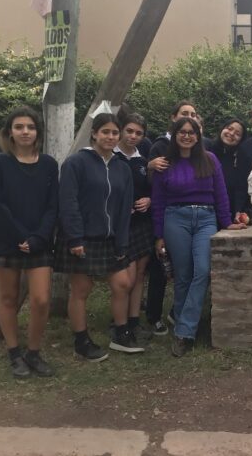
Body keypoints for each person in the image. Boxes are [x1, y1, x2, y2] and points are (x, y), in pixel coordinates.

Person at [152, 117, 245, 357]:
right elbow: (159, 201)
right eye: (182, 132)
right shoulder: (165, 163)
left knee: (202, 270)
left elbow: (221, 193)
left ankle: (184, 330)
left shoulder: (210, 159)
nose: (186, 136)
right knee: (183, 275)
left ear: (198, 136)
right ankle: (185, 326)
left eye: (191, 132)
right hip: (176, 219)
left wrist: (226, 222)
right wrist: (159, 234)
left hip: (206, 219)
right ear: (174, 135)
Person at [0, 106, 59, 378]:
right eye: (19, 127)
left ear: (37, 132)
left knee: (40, 299)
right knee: (8, 297)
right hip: (5, 241)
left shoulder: (49, 164)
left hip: (38, 243)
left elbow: (53, 206)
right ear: (10, 132)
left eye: (30, 127)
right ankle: (14, 353)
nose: (25, 131)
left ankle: (33, 353)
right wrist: (19, 236)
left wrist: (37, 237)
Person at [56, 113, 137, 361]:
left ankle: (121, 334)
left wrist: (122, 241)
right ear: (94, 134)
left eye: (114, 133)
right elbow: (68, 203)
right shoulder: (75, 163)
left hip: (111, 239)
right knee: (81, 288)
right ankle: (81, 340)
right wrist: (75, 238)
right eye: (105, 132)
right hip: (82, 237)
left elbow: (125, 209)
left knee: (122, 283)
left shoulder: (122, 167)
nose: (110, 137)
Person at [145, 100, 201, 335]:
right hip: (170, 215)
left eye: (193, 115)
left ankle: (179, 316)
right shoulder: (160, 147)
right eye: (184, 115)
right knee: (170, 270)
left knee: (196, 269)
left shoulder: (203, 151)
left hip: (199, 216)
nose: (188, 118)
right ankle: (157, 316)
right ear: (173, 118)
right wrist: (149, 165)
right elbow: (155, 183)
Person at [114, 112, 155, 342]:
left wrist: (149, 199)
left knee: (139, 274)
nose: (133, 136)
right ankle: (119, 324)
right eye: (129, 131)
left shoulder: (142, 161)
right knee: (125, 279)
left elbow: (149, 188)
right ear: (121, 130)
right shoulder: (111, 157)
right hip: (121, 226)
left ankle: (133, 320)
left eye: (138, 133)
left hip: (142, 223)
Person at [209, 118, 247, 220]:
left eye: (237, 134)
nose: (232, 133)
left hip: (229, 212)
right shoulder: (207, 149)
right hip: (207, 210)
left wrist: (238, 210)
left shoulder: (240, 158)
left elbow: (241, 187)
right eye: (229, 129)